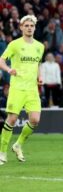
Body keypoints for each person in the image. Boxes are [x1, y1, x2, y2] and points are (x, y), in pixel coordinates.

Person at [0, 15, 45, 165]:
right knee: (12, 119)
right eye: (26, 25)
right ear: (21, 27)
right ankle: (2, 153)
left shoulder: (40, 46)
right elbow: (1, 60)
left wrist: (39, 77)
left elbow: (37, 64)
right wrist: (8, 69)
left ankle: (18, 145)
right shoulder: (14, 44)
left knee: (35, 120)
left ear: (35, 28)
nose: (29, 28)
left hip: (32, 89)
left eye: (31, 26)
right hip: (17, 88)